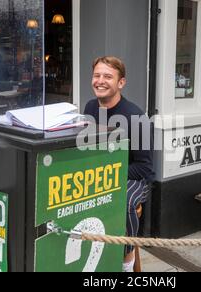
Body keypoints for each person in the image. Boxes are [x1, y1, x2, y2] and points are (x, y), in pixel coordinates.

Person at [84, 56, 154, 272]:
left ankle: (127, 260)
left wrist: (108, 174)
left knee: (122, 203)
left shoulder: (136, 116)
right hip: (101, 173)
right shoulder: (89, 107)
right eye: (97, 75)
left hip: (134, 178)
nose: (100, 81)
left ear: (120, 83)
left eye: (108, 76)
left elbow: (144, 167)